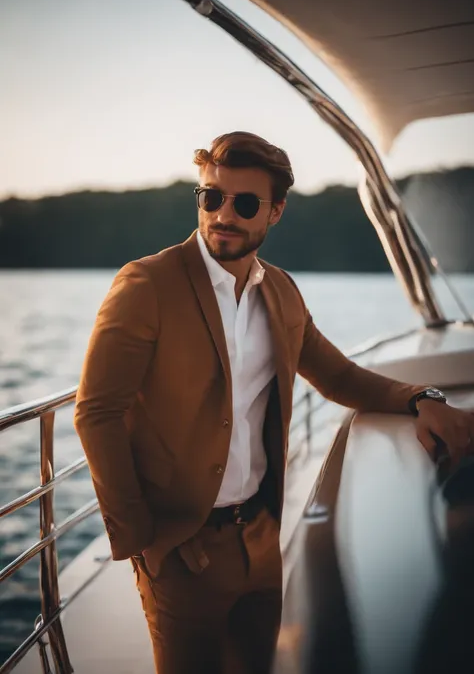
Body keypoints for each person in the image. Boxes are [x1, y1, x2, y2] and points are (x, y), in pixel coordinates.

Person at [74, 131, 474, 674]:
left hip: (260, 539)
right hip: (180, 552)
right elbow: (96, 413)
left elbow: (339, 377)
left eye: (244, 203)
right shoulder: (148, 284)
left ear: (276, 212)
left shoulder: (280, 292)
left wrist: (421, 398)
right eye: (211, 197)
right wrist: (144, 541)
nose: (222, 215)